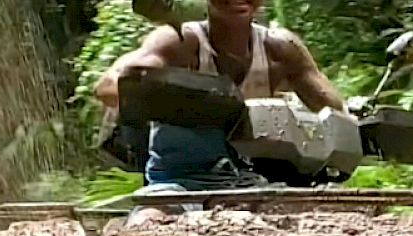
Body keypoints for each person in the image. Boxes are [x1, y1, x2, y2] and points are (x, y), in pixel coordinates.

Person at [94, 0, 349, 193]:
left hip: (257, 183)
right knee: (150, 226)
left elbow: (336, 114)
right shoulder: (179, 41)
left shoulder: (279, 50)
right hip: (180, 184)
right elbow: (108, 87)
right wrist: (195, 100)